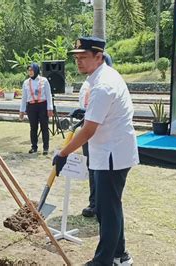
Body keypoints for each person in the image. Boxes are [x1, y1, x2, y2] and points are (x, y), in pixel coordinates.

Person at [53, 37, 139, 266]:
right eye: (76, 57)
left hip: (112, 154)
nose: (78, 62)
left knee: (107, 211)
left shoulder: (103, 85)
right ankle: (121, 256)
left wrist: (63, 154)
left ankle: (103, 262)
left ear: (99, 56)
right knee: (109, 206)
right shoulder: (102, 77)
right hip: (110, 151)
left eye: (84, 57)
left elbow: (89, 130)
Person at [79, 52, 113, 218]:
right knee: (92, 169)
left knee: (102, 175)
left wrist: (64, 152)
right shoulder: (89, 82)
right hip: (91, 136)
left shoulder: (105, 84)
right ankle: (94, 203)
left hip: (104, 139)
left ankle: (100, 205)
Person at [19, 63, 54, 155]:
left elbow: (48, 95)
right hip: (31, 106)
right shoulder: (26, 82)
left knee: (44, 127)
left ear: (36, 70)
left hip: (42, 105)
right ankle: (34, 147)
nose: (30, 72)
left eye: (32, 70)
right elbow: (24, 97)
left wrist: (50, 108)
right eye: (29, 70)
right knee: (33, 127)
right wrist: (22, 111)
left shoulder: (44, 80)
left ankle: (46, 147)